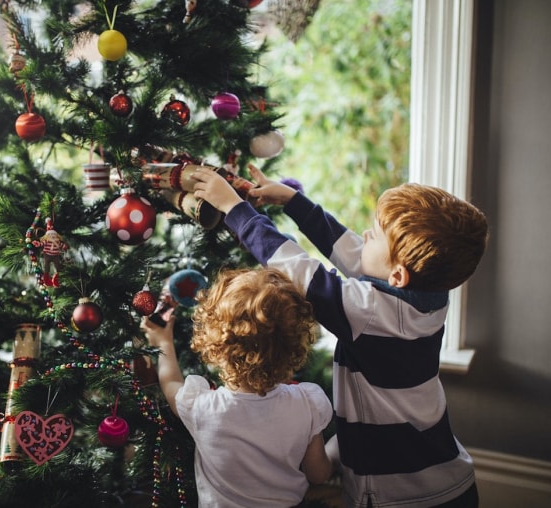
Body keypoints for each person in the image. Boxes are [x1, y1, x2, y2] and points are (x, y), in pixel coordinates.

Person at [191, 165, 488, 508]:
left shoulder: (370, 313)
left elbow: (298, 269)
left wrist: (235, 209)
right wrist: (293, 201)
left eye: (374, 235)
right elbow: (351, 251)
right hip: (449, 479)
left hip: (404, 495)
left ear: (398, 274)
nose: (363, 234)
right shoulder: (428, 296)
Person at [141, 267, 333, 508]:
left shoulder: (203, 408)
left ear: (216, 344)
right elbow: (318, 474)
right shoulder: (307, 403)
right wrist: (335, 450)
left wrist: (162, 340)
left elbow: (170, 381)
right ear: (294, 346)